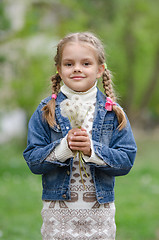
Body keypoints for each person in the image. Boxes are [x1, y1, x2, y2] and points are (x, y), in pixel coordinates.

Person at [23, 32, 137, 240]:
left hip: (98, 214)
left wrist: (91, 150)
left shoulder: (113, 112)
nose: (77, 68)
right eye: (69, 64)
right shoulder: (46, 110)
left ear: (99, 69)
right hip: (59, 214)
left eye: (86, 63)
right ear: (59, 69)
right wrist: (63, 148)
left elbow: (126, 160)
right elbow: (33, 160)